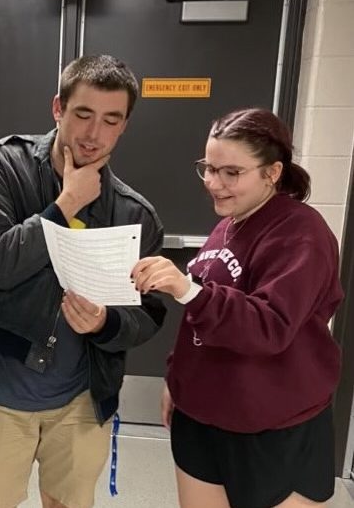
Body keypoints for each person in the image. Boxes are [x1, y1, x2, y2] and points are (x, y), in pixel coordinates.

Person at [0, 54, 167, 508]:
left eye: (111, 120)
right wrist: (64, 204)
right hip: (1, 391)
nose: (94, 134)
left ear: (124, 125)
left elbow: (148, 314)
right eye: (83, 114)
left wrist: (105, 325)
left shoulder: (135, 215)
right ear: (58, 108)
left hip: (81, 397)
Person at [131, 108, 343, 508]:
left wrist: (186, 288)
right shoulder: (228, 224)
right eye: (208, 168)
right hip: (203, 418)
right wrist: (178, 378)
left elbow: (270, 324)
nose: (214, 183)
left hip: (274, 425)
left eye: (231, 172)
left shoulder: (302, 233)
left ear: (272, 172)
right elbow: (203, 316)